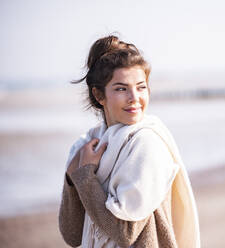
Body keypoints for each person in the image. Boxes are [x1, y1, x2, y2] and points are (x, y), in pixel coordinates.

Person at [58, 35, 200, 248]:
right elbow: (72, 235)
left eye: (141, 87)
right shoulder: (86, 146)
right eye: (121, 88)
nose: (134, 97)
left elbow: (126, 233)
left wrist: (85, 176)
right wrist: (72, 179)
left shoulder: (147, 144)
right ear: (99, 95)